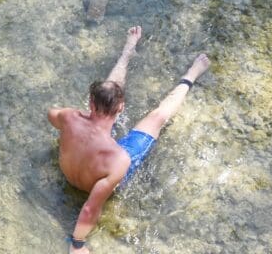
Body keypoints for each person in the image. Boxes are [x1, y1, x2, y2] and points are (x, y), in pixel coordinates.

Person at [47, 26, 210, 253]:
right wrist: (77, 245)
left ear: (90, 103)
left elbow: (51, 115)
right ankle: (191, 75)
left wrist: (78, 121)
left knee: (109, 90)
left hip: (75, 168)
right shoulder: (118, 159)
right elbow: (90, 208)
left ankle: (127, 52)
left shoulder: (68, 117)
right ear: (121, 109)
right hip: (104, 166)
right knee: (157, 117)